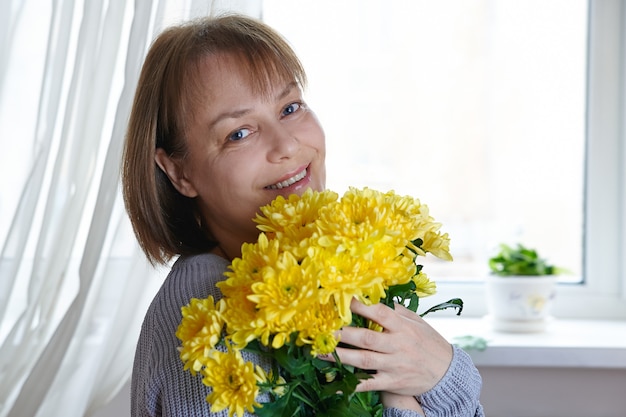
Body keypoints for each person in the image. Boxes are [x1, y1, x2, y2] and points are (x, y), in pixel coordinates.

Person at [122, 13, 484, 417]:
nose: (288, 146)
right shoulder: (210, 317)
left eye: (290, 107)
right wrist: (411, 398)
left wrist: (442, 373)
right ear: (179, 172)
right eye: (239, 133)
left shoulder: (309, 274)